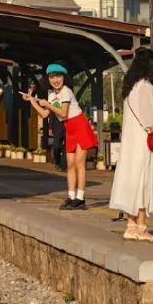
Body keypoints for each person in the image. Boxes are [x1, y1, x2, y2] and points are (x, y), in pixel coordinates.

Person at [109, 48, 153, 242]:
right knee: (144, 182)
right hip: (143, 145)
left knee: (134, 183)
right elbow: (148, 116)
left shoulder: (132, 87)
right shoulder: (144, 86)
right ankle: (142, 228)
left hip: (133, 143)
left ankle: (131, 226)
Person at [21, 63, 97, 210]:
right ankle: (71, 197)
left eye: (58, 76)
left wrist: (47, 104)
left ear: (64, 78)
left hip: (80, 126)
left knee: (79, 164)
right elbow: (44, 114)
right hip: (69, 128)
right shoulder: (51, 94)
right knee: (70, 164)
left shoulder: (66, 91)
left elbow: (63, 112)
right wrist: (31, 101)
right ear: (48, 79)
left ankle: (80, 198)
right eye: (52, 77)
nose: (55, 80)